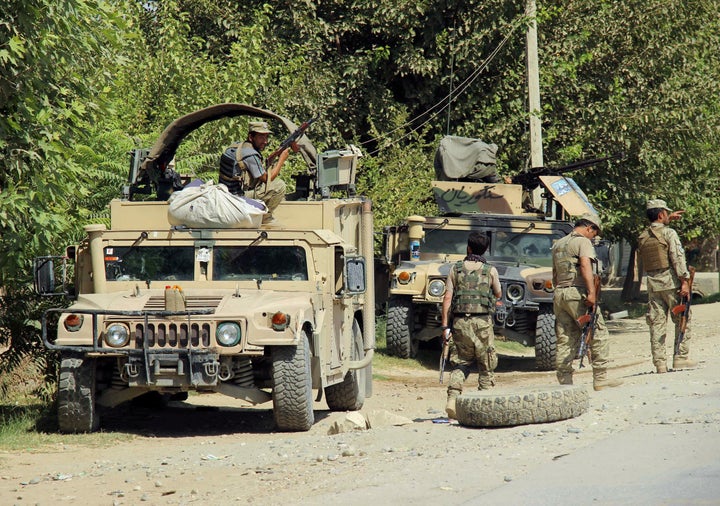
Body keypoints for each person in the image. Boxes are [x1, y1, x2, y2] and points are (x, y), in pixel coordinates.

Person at [552, 213, 623, 391]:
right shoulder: (582, 241)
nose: (594, 237)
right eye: (594, 233)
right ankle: (600, 379)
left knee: (565, 338)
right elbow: (585, 265)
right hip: (577, 293)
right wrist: (591, 293)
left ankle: (565, 383)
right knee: (598, 333)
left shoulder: (559, 243)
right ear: (589, 227)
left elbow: (554, 273)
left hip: (560, 292)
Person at [440, 232, 502, 419]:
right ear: (486, 250)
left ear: (468, 248)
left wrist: (445, 327)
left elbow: (447, 298)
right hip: (482, 322)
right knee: (486, 364)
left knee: (461, 363)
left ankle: (452, 399)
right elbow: (498, 293)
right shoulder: (490, 270)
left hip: (460, 322)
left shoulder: (455, 269)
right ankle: (483, 403)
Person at [637, 199, 696, 373]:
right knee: (683, 317)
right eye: (665, 213)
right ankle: (680, 357)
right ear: (661, 214)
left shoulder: (643, 236)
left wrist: (666, 218)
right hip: (671, 283)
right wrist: (684, 281)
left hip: (653, 284)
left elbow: (655, 234)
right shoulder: (669, 233)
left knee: (656, 323)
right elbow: (677, 257)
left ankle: (660, 364)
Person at [219, 121, 292, 221]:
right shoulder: (250, 155)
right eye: (261, 137)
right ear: (251, 137)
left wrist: (270, 162)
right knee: (279, 186)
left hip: (225, 193)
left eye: (266, 137)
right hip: (235, 198)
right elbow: (267, 179)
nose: (265, 141)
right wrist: (281, 160)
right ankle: (264, 219)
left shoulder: (238, 146)